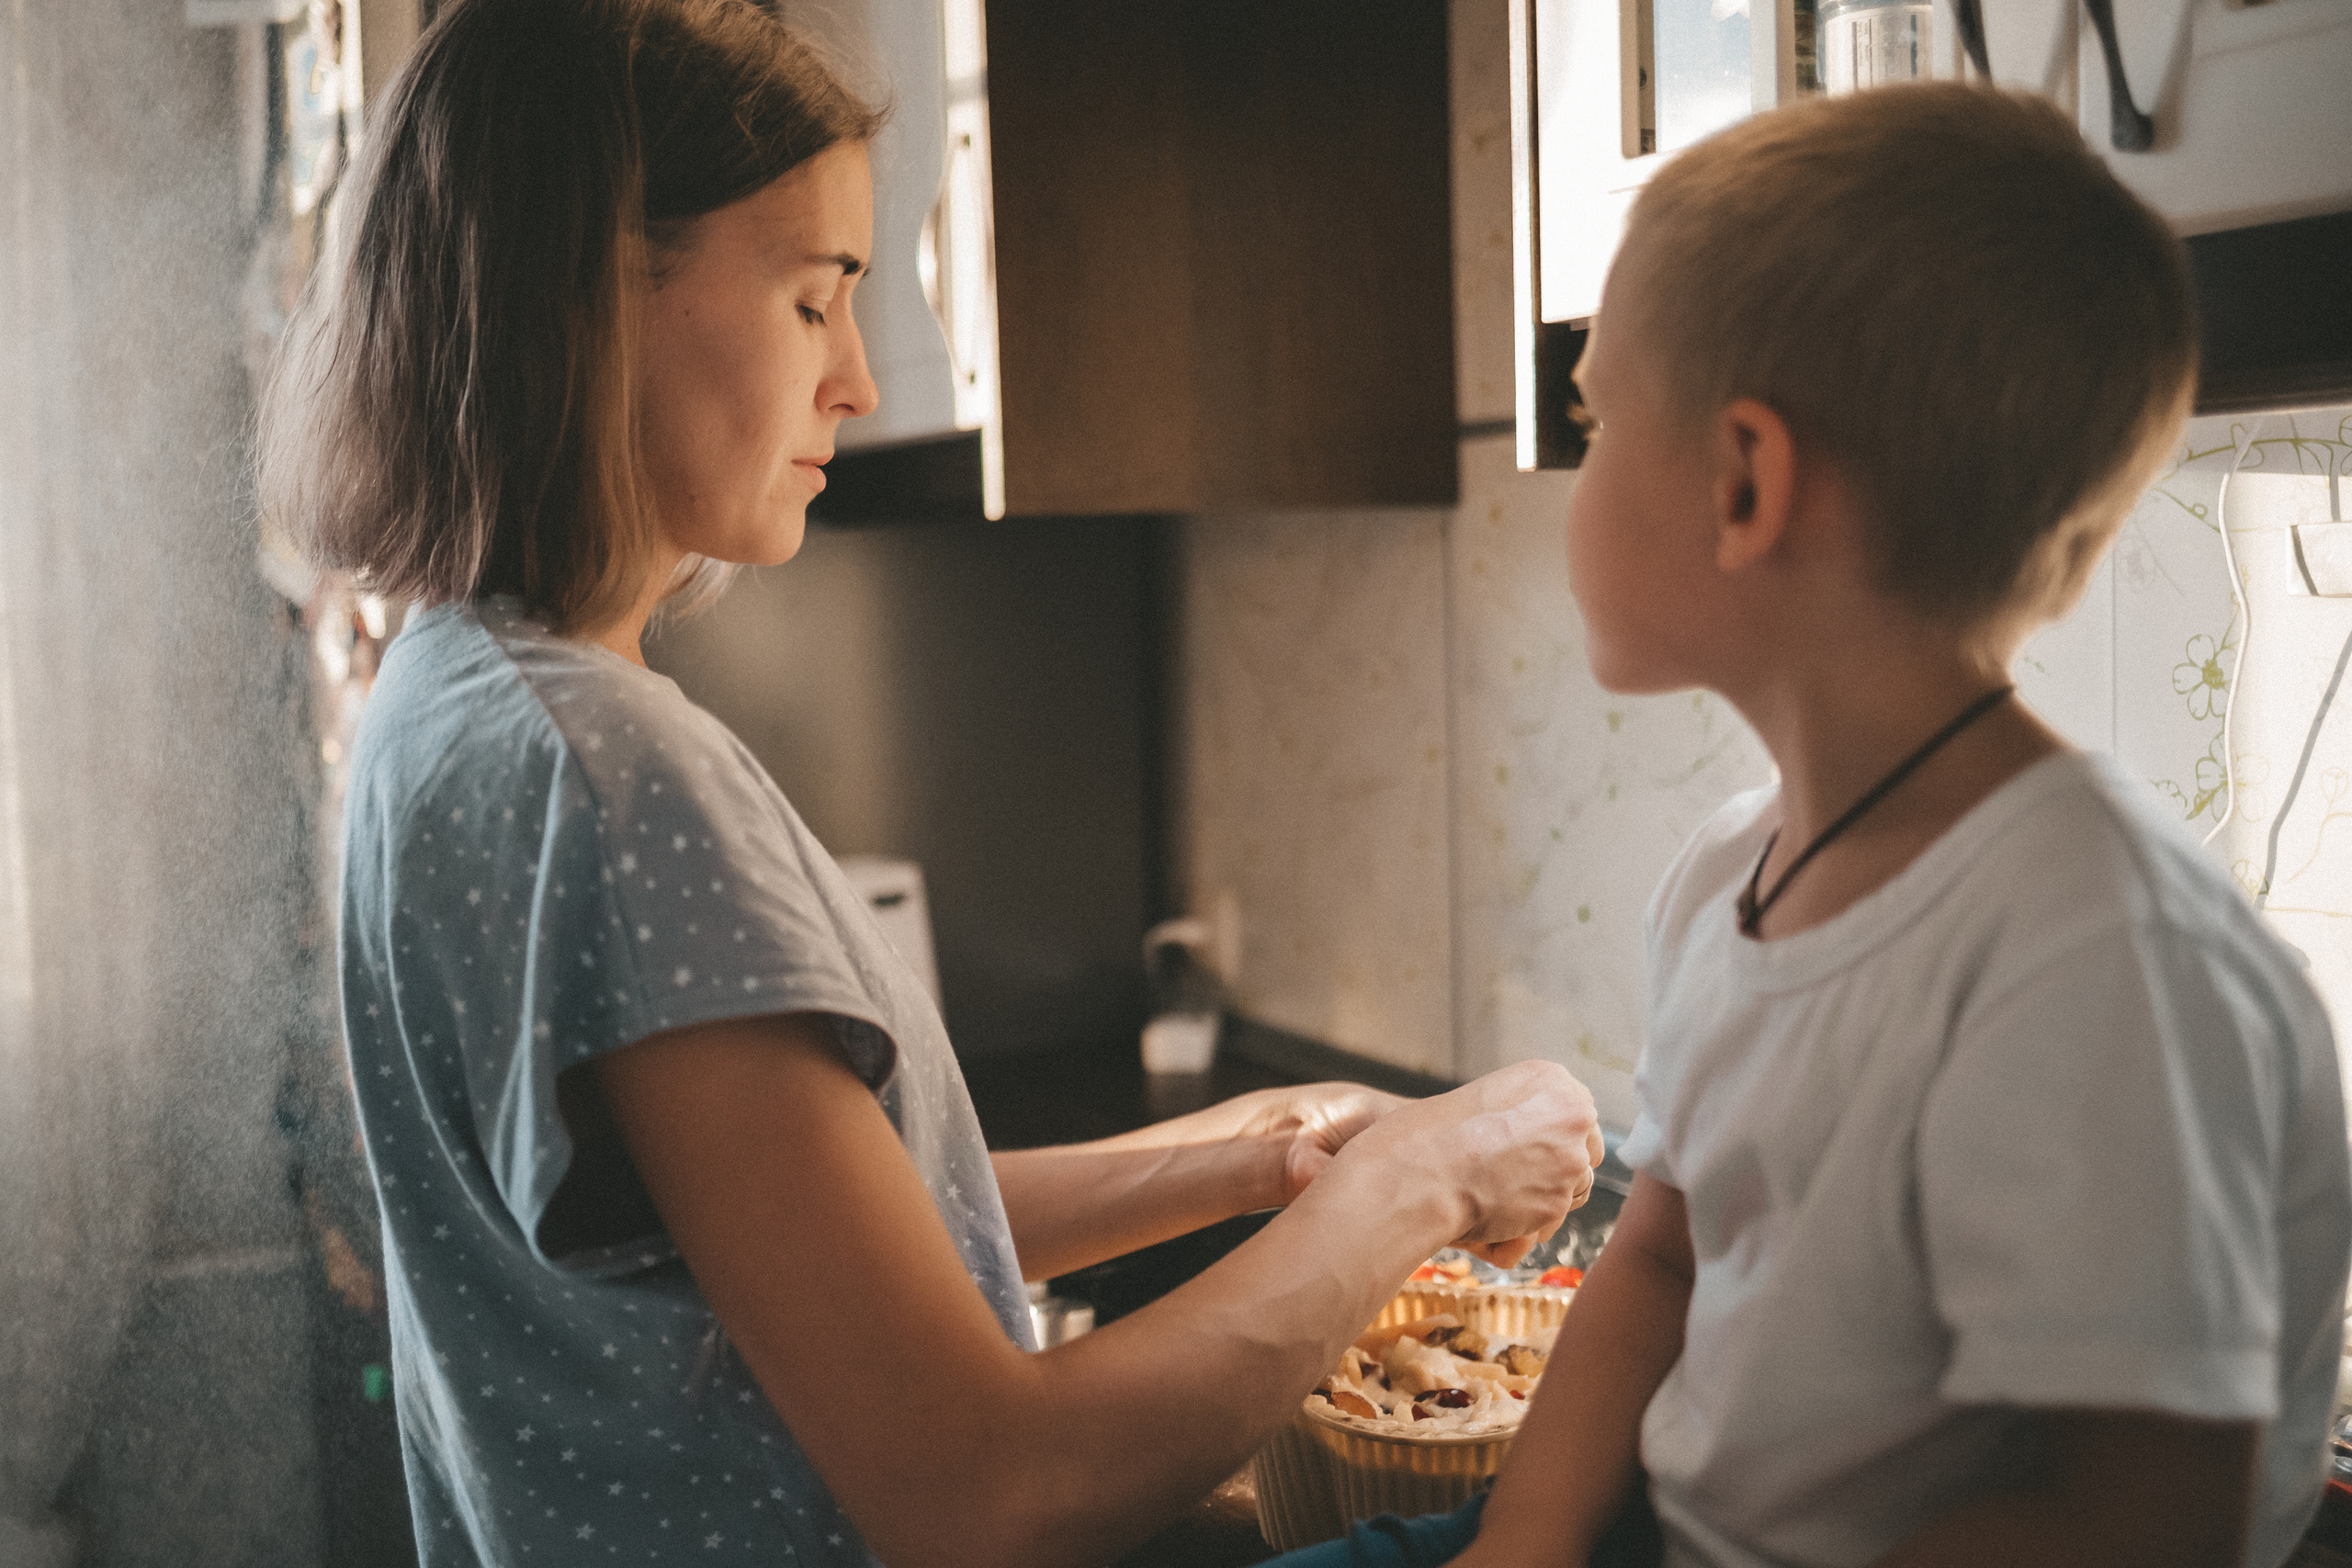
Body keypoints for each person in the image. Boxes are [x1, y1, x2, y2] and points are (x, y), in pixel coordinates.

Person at [254, 2, 1611, 1565]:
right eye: (812, 298)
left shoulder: (450, 701)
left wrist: (1248, 1154)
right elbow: (988, 1486)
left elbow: (821, 1252)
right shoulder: (608, 786)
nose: (857, 378)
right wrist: (1422, 1186)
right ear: (587, 300)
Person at [1428, 85, 2348, 1568]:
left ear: (1746, 481)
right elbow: (1659, 1258)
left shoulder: (2098, 961)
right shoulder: (1733, 871)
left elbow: (2139, 1522)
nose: (1575, 466)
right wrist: (1517, 1544)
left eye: (1595, 419)